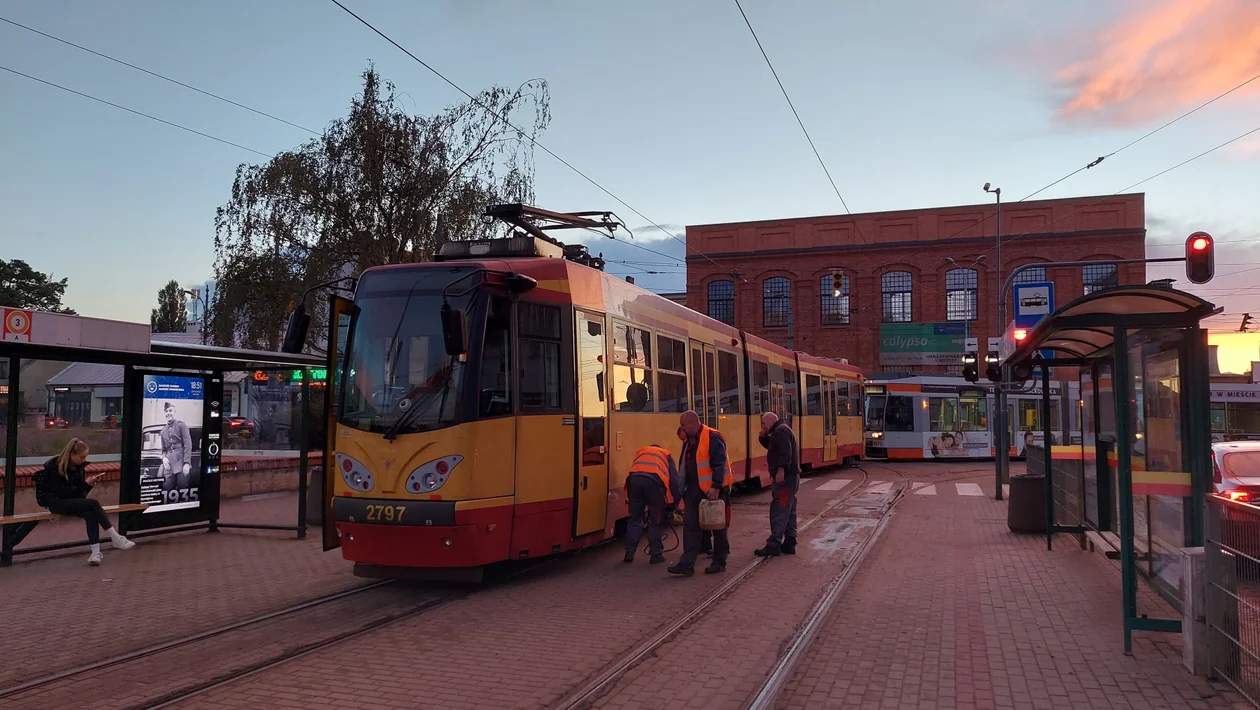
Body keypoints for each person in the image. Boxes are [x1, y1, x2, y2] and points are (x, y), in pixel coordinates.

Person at [34, 438, 136, 566]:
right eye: (82, 457)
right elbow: (63, 493)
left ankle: (95, 553)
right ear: (72, 455)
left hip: (69, 501)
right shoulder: (55, 468)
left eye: (85, 457)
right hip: (55, 503)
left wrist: (88, 485)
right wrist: (84, 484)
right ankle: (115, 537)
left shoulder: (78, 468)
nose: (84, 460)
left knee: (91, 513)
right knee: (93, 504)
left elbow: (79, 495)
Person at [669, 410, 732, 576]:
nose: (681, 428)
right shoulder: (689, 441)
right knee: (690, 526)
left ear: (691, 423)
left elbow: (719, 463)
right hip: (694, 491)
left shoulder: (712, 437)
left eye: (682, 425)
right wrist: (681, 491)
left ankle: (719, 561)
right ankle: (686, 564)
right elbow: (685, 466)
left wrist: (716, 486)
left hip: (713, 491)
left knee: (717, 526)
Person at [623, 443, 682, 564]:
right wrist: (676, 503)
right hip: (654, 484)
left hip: (634, 481)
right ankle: (656, 554)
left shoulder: (641, 452)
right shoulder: (666, 454)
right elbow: (675, 481)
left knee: (635, 519)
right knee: (656, 520)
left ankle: (629, 552)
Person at [756, 412, 801, 557]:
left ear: (770, 421)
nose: (762, 426)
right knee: (789, 509)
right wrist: (762, 437)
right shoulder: (781, 430)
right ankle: (789, 542)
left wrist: (780, 470)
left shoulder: (780, 431)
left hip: (785, 480)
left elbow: (785, 452)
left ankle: (774, 543)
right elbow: (772, 447)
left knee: (779, 510)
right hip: (791, 478)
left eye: (763, 424)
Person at [159, 402, 192, 491]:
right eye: (166, 411)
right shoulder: (163, 431)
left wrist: (186, 463)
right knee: (166, 490)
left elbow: (188, 445)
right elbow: (163, 450)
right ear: (164, 414)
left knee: (182, 489)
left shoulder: (181, 425)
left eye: (170, 410)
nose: (168, 413)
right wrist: (164, 458)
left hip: (181, 463)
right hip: (169, 466)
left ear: (175, 412)